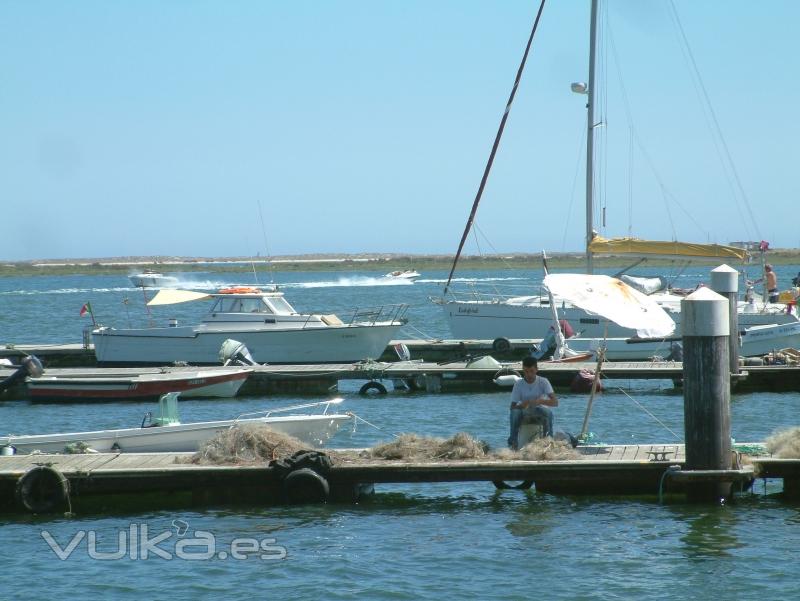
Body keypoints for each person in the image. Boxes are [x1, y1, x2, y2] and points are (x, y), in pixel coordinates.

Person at [508, 356, 558, 450]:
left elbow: (555, 402)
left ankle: (548, 441)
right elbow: (512, 407)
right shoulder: (518, 384)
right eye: (526, 371)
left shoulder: (543, 381)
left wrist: (538, 401)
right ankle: (513, 442)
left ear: (536, 370)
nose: (529, 374)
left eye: (531, 371)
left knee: (548, 412)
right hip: (524, 410)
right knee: (514, 413)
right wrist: (522, 405)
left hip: (539, 409)